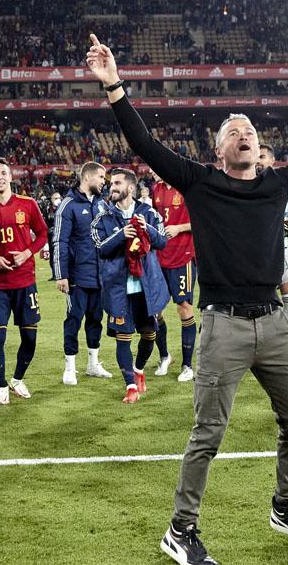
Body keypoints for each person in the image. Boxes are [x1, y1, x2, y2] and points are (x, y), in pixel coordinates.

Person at [87, 32, 288, 563]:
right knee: (208, 433)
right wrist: (115, 86)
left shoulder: (278, 182)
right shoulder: (198, 181)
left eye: (251, 131)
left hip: (274, 325)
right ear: (219, 150)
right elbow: (144, 145)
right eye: (235, 130)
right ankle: (181, 529)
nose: (245, 134)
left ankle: (285, 507)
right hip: (222, 325)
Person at [0, 157, 50, 406]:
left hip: (26, 281)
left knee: (30, 338)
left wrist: (28, 253)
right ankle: (1, 385)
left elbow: (43, 233)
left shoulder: (28, 204)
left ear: (11, 176)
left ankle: (17, 379)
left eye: (3, 172)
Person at [91, 168, 169, 403]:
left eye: (116, 183)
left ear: (131, 188)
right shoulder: (102, 219)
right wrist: (121, 235)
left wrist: (148, 229)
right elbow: (100, 249)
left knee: (150, 335)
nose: (111, 187)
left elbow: (163, 241)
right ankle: (130, 386)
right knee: (123, 338)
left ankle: (138, 369)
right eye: (111, 183)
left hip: (145, 289)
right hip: (118, 289)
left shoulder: (150, 213)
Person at [52, 161, 113, 385]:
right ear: (87, 178)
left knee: (96, 319)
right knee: (74, 319)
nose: (103, 182)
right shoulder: (68, 205)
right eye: (100, 177)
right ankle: (70, 367)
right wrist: (61, 274)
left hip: (99, 276)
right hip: (77, 276)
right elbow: (59, 241)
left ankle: (92, 364)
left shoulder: (101, 204)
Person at [151, 170, 198, 382]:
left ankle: (187, 365)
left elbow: (203, 220)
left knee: (184, 308)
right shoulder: (157, 190)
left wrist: (180, 227)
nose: (151, 171)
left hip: (184, 256)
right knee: (155, 309)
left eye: (154, 167)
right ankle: (164, 356)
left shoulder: (188, 188)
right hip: (160, 257)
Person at [257, 146, 288, 324]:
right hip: (255, 250)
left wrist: (286, 223)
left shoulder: (283, 185)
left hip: (279, 246)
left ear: (272, 160)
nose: (258, 159)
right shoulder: (245, 183)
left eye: (262, 156)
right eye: (256, 156)